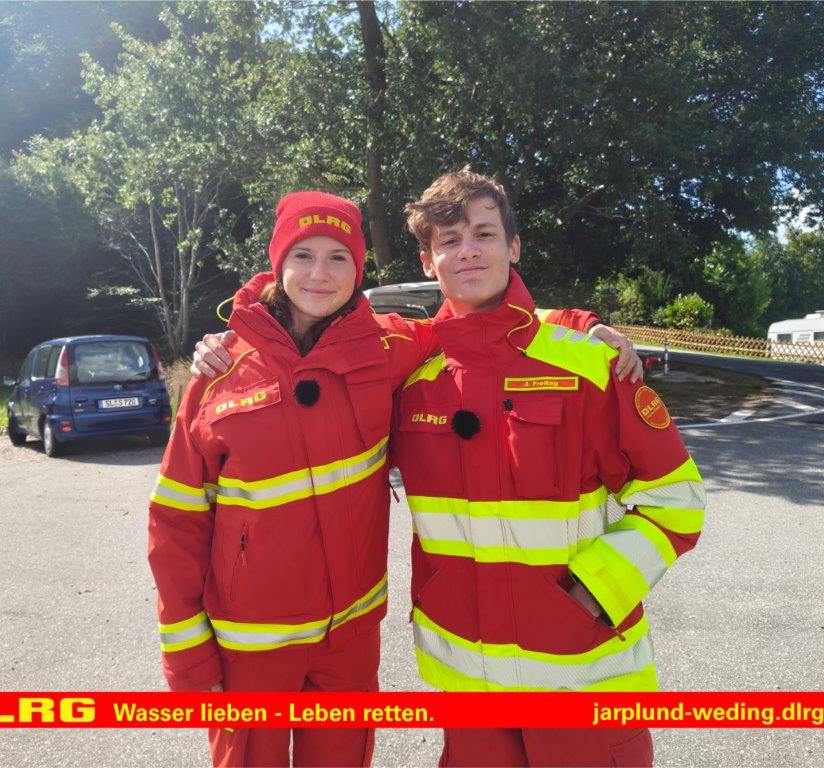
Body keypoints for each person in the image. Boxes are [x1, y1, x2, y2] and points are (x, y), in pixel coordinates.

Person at [150, 190, 610, 768]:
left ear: (358, 269)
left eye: (338, 257)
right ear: (278, 263)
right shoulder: (219, 373)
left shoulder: (389, 346)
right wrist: (188, 659)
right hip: (250, 646)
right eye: (303, 255)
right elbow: (176, 523)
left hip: (348, 642)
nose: (320, 274)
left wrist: (579, 323)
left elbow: (481, 325)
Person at [390, 169, 705, 766]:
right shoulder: (409, 375)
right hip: (469, 690)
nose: (468, 250)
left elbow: (677, 501)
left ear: (513, 247)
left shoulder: (589, 365)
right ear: (428, 261)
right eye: (449, 240)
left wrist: (594, 592)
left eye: (484, 233)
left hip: (584, 681)